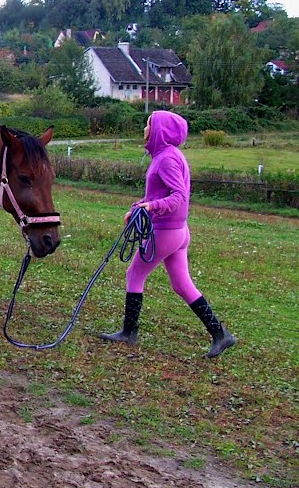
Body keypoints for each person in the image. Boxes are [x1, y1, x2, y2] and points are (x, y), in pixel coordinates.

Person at [101, 110, 236, 358]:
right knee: (182, 284)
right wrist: (138, 207)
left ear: (160, 130)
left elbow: (178, 197)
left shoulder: (166, 160)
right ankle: (220, 335)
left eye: (149, 124)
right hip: (178, 232)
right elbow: (157, 195)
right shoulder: (168, 156)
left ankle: (129, 333)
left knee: (134, 274)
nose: (145, 129)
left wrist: (151, 207)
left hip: (166, 232)